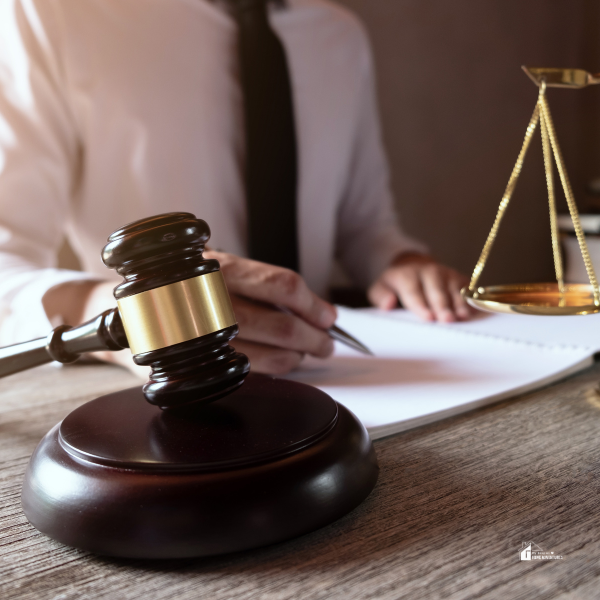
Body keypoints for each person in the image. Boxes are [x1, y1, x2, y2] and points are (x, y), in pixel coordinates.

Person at [0, 0, 471, 376]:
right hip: (167, 395)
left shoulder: (339, 35)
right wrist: (134, 319)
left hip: (334, 380)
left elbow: (365, 224)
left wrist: (401, 262)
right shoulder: (50, 12)